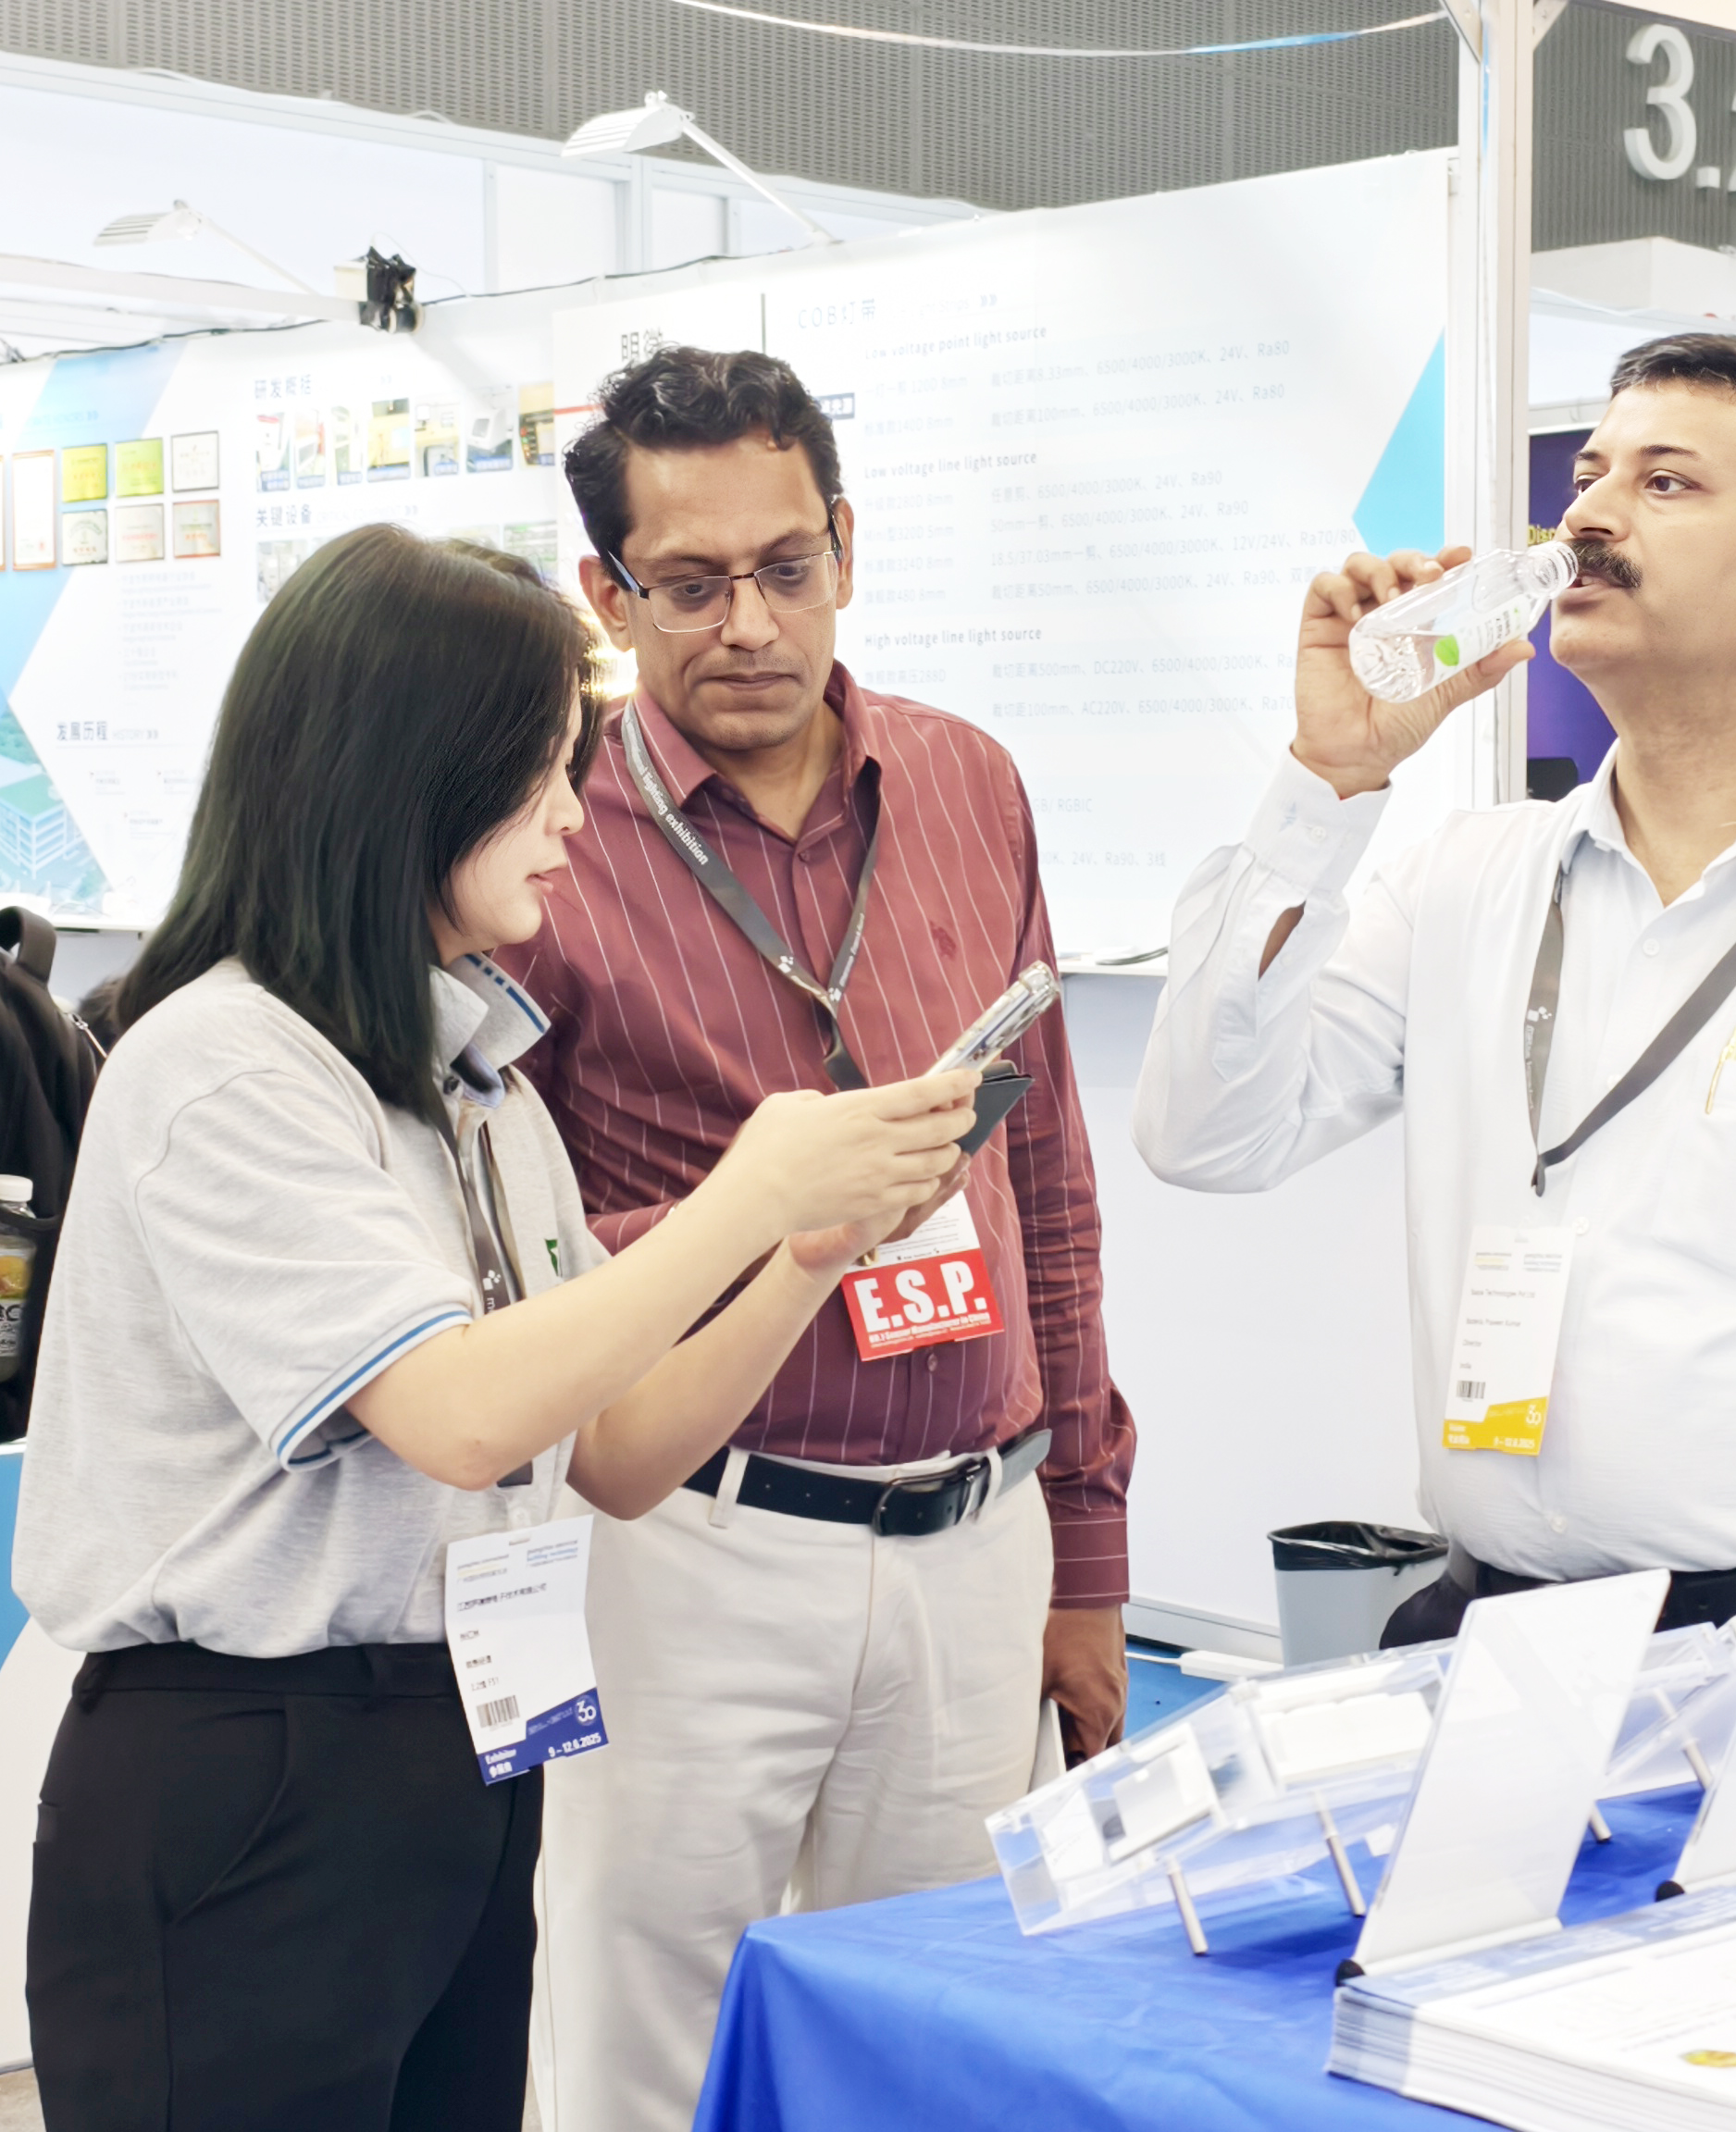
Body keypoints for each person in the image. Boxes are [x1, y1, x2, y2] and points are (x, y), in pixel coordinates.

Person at [9, 524, 978, 2126]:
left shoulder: (475, 1087)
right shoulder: (225, 1064)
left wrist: (805, 1255)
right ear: (404, 777)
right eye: (539, 777)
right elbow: (456, 1416)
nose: (572, 820)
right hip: (253, 1765)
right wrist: (742, 1193)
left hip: (459, 1748)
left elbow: (616, 1454)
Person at [1136, 333, 1736, 1646]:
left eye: (1666, 482)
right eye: (1588, 475)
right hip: (1484, 1629)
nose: (1588, 516)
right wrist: (1329, 782)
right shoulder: (1466, 879)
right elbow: (1204, 1136)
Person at [501, 345, 1137, 2132]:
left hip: (974, 1529)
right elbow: (513, 1244)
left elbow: (1048, 1176)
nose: (751, 626)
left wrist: (1088, 1544)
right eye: (689, 585)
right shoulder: (546, 835)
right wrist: (772, 1215)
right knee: (643, 2056)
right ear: (606, 594)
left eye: (786, 568)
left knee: (932, 2053)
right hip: (691, 1548)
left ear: (846, 545)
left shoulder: (966, 783)